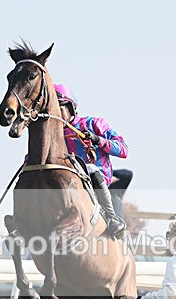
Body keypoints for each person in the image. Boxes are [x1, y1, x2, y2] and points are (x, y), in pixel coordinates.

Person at [54, 84, 128, 238]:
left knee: (89, 168)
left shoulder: (94, 123)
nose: (54, 114)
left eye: (58, 108)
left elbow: (123, 150)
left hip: (96, 176)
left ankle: (111, 216)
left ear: (70, 107)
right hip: (69, 181)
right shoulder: (54, 133)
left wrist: (98, 140)